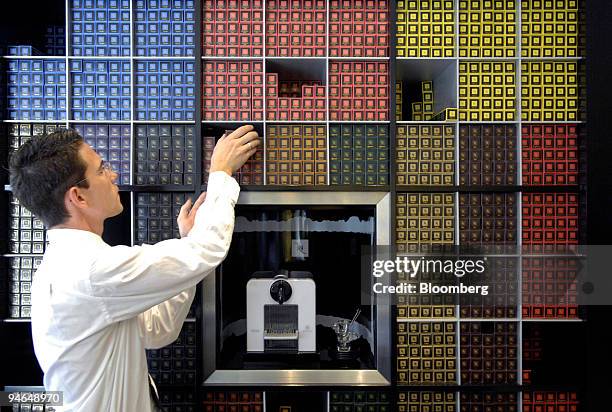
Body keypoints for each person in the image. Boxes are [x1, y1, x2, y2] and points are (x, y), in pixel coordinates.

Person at [8, 125, 260, 411]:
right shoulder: (91, 269)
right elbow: (209, 248)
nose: (113, 174)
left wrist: (187, 246)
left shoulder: (67, 266)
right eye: (102, 169)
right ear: (78, 197)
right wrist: (221, 173)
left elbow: (157, 329)